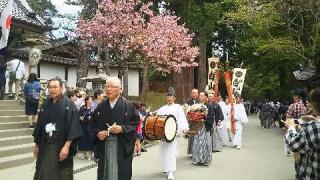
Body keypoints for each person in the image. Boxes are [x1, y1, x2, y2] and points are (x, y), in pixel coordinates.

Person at [32, 77, 83, 180]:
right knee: (43, 173)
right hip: (45, 145)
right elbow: (39, 127)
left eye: (55, 87)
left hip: (61, 145)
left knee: (61, 174)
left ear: (61, 88)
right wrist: (37, 145)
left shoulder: (69, 104)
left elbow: (74, 126)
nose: (52, 90)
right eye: (50, 87)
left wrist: (67, 146)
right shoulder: (45, 104)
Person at [90, 77, 139, 180]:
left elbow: (134, 123)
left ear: (120, 89)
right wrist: (98, 133)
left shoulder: (128, 106)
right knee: (105, 173)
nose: (108, 89)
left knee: (121, 173)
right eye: (107, 86)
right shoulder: (101, 106)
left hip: (121, 145)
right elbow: (92, 125)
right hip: (105, 145)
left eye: (112, 87)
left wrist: (122, 128)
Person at [285, 88, 320, 180]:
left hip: (300, 137)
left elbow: (288, 119)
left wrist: (291, 127)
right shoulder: (304, 107)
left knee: (299, 159)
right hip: (306, 136)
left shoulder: (313, 126)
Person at [157, 87, 189, 180]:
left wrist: (184, 128)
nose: (169, 97)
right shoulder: (162, 108)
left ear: (174, 98)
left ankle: (171, 171)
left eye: (171, 96)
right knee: (163, 150)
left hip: (172, 133)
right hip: (163, 133)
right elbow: (157, 118)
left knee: (170, 151)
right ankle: (165, 168)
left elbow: (182, 119)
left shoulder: (178, 107)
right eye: (168, 96)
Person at [192, 91, 213, 166]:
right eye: (199, 96)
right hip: (198, 126)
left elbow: (211, 117)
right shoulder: (198, 105)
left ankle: (205, 160)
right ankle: (197, 159)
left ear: (205, 97)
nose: (199, 97)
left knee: (205, 143)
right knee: (197, 142)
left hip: (204, 127)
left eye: (201, 96)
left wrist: (204, 120)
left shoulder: (209, 106)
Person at [78, 96, 94, 160]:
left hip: (90, 126)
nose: (91, 100)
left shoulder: (92, 108)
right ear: (86, 100)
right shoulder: (82, 108)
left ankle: (89, 154)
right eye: (90, 99)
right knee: (83, 139)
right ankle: (82, 154)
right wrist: (84, 118)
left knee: (89, 139)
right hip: (83, 125)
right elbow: (80, 117)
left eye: (91, 99)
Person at [185, 88, 199, 156]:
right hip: (190, 121)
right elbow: (185, 111)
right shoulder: (188, 102)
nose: (194, 94)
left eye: (195, 93)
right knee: (191, 136)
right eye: (192, 93)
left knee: (198, 136)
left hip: (198, 122)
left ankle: (197, 151)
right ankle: (190, 151)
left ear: (197, 94)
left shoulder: (200, 101)